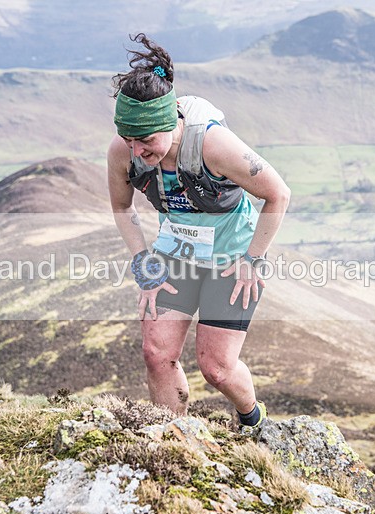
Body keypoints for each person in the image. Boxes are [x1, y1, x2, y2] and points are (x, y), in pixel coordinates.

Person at [107, 34, 290, 429]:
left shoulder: (213, 145)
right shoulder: (123, 153)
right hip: (177, 255)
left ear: (170, 124)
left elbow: (278, 194)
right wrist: (145, 264)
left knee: (217, 369)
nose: (137, 151)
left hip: (231, 258)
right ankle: (172, 438)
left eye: (147, 141)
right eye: (129, 140)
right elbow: (122, 207)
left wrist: (252, 261)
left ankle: (253, 421)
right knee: (156, 353)